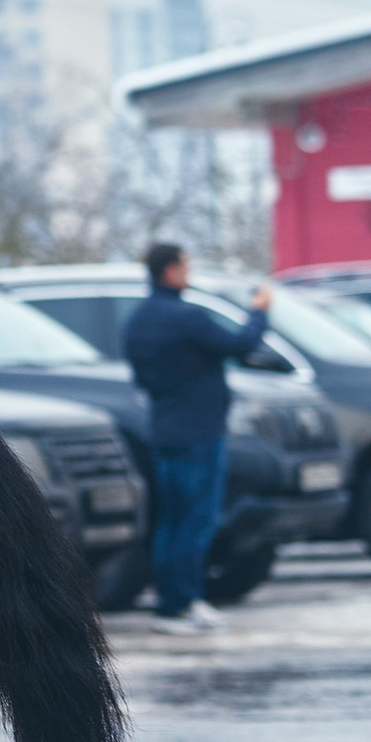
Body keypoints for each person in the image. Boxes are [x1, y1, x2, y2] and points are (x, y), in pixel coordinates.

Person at [122, 242, 274, 635]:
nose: (188, 273)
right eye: (185, 266)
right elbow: (242, 345)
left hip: (163, 429)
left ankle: (177, 601)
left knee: (171, 521)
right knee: (197, 520)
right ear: (170, 270)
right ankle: (179, 606)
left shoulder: (137, 318)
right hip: (200, 432)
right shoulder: (186, 316)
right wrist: (260, 310)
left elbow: (143, 377)